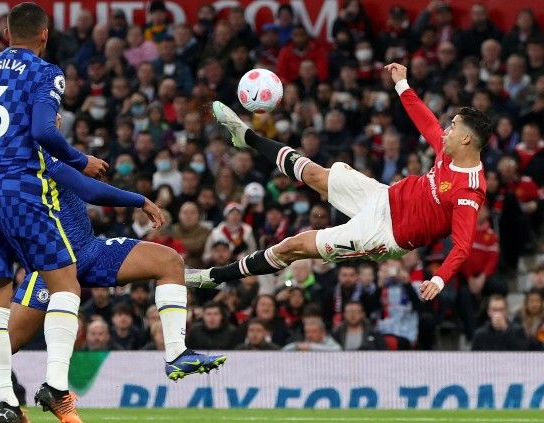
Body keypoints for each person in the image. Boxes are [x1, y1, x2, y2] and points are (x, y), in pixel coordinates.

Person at [0, 134, 226, 422]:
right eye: (48, 114)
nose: (53, 120)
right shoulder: (32, 154)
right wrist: (139, 200)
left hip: (88, 250)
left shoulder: (47, 152)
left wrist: (78, 159)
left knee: (169, 261)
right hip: (53, 265)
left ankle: (176, 353)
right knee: (4, 343)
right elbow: (89, 189)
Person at [188, 63, 491, 303]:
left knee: (294, 246)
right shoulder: (448, 148)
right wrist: (402, 84)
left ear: (466, 138)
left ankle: (213, 276)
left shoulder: (470, 190)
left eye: (452, 128)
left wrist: (438, 280)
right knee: (315, 174)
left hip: (382, 234)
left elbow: (462, 246)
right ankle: (246, 137)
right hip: (384, 197)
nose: (445, 131)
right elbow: (426, 121)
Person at [0, 4, 107, 422]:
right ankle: (55, 384)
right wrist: (79, 158)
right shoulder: (46, 73)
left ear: (6, 32)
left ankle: (6, 404)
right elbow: (45, 131)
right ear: (45, 35)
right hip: (22, 191)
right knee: (66, 284)